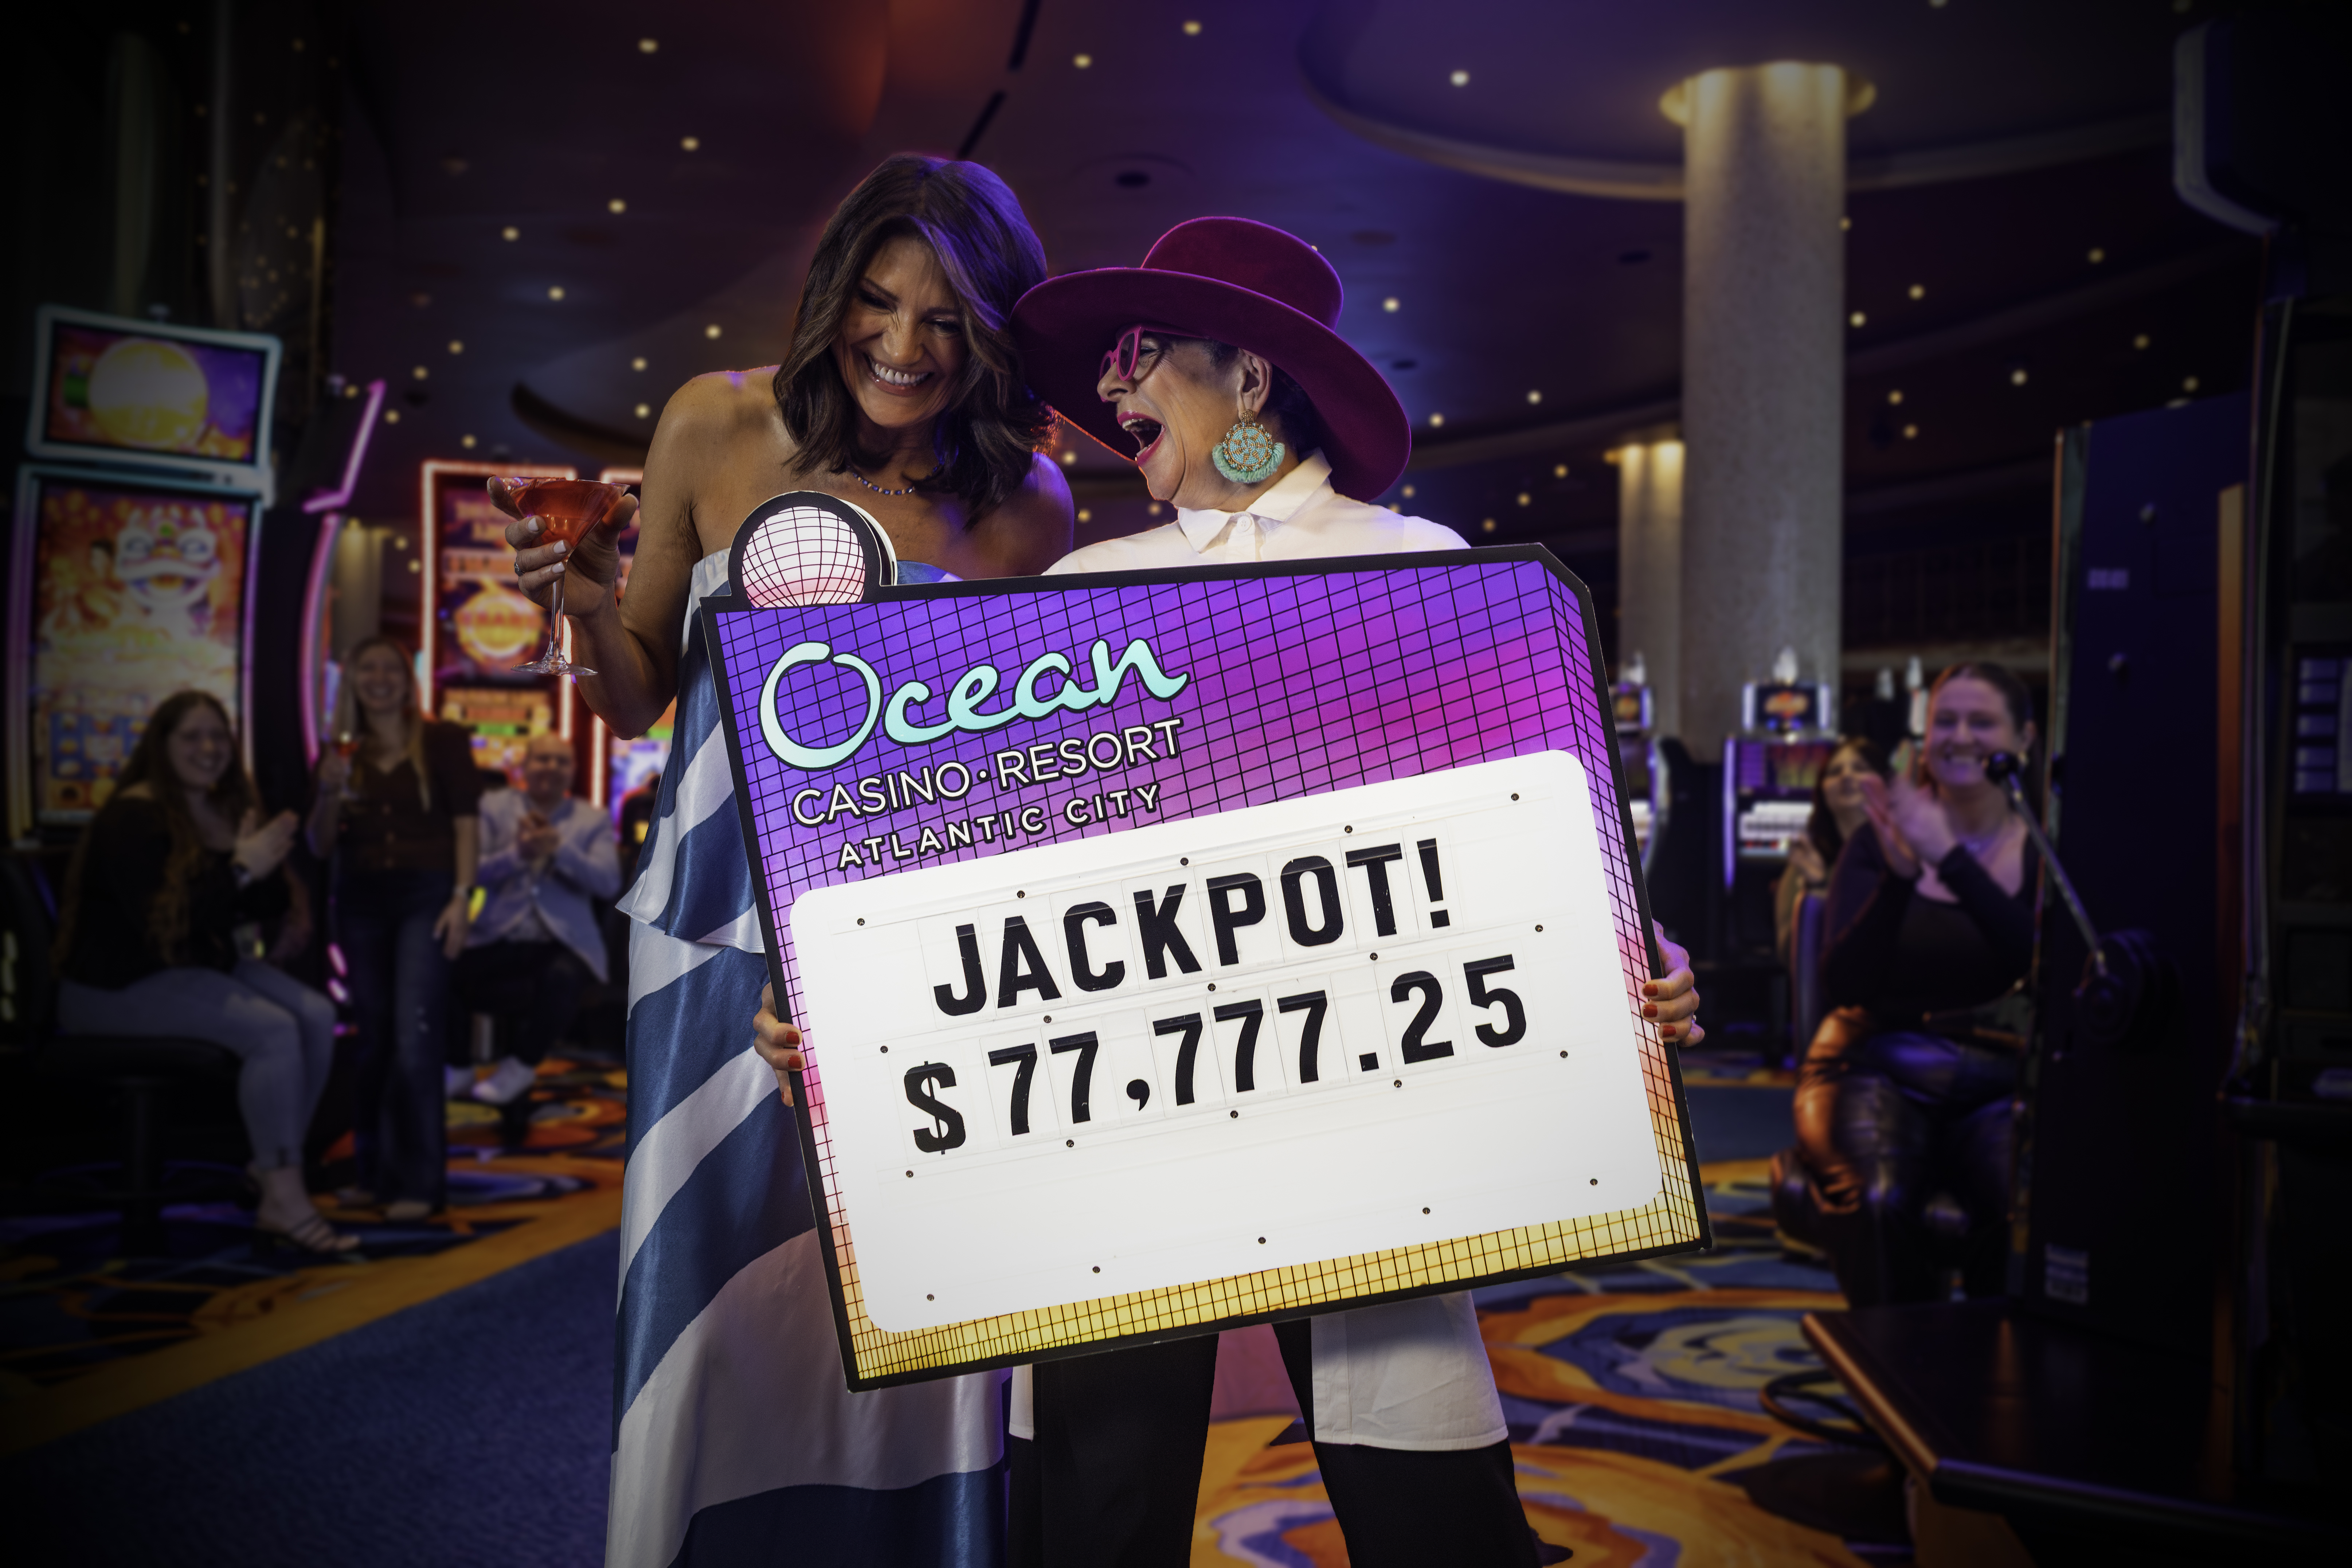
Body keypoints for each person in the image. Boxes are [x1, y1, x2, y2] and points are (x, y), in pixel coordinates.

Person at [753, 215, 1707, 1568]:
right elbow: (993, 888)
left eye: (1142, 359)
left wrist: (1632, 956)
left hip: (1377, 1118)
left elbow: (1522, 840)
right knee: (1098, 1506)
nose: (1111, 391)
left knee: (1421, 1487)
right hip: (1125, 1136)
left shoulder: (1419, 568)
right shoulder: (1079, 590)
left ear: (1248, 383)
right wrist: (854, 1022)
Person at [500, 154, 1073, 1568]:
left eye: (944, 320)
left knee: (911, 1294)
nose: (900, 345)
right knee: (709, 1295)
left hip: (913, 951)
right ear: (830, 297)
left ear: (991, 328)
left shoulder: (1026, 503)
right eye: (876, 303)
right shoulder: (715, 422)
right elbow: (638, 693)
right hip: (711, 935)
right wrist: (580, 603)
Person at [54, 690, 350, 1254]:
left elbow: (251, 907)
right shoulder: (133, 815)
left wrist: (255, 869)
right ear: (161, 744)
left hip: (188, 967)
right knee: (272, 1029)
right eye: (192, 736)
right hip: (113, 985)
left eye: (218, 736)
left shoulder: (213, 810)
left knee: (316, 1013)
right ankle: (284, 1196)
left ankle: (272, 1169)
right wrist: (240, 868)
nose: (209, 748)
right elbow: (163, 921)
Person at [1809, 662, 2040, 1306]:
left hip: (2000, 1076)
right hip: (1875, 1062)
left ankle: (1999, 1381)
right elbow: (1843, 981)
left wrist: (1953, 862)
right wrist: (1902, 876)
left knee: (2025, 1205)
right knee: (1881, 1200)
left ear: (2024, 737)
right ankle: (1894, 1379)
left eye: (1981, 721)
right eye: (1945, 720)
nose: (1959, 736)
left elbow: (2044, 960)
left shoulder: (2044, 844)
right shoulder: (1875, 841)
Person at [310, 635, 482, 1223]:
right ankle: (374, 1175)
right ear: (352, 679)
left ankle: (421, 1180)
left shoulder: (441, 739)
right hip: (359, 900)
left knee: (415, 1036)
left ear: (408, 679)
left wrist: (463, 895)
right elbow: (320, 842)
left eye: (390, 668)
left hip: (427, 895)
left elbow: (466, 824)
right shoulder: (340, 752)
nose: (379, 678)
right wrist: (329, 790)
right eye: (367, 668)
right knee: (374, 1038)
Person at [451, 734, 619, 1106]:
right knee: (436, 964)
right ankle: (458, 1064)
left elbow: (608, 883)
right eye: (542, 759)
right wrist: (519, 854)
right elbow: (467, 871)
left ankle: (520, 1064)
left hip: (564, 941)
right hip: (496, 934)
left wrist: (558, 848)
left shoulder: (591, 819)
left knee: (563, 977)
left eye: (561, 762)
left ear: (574, 771)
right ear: (523, 767)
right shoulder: (492, 808)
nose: (551, 768)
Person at [1774, 738, 1890, 965]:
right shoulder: (1808, 862)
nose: (1847, 776)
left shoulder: (1904, 853)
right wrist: (1816, 889)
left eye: (1861, 768)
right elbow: (1789, 955)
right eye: (1835, 771)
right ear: (1822, 791)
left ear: (1884, 783)